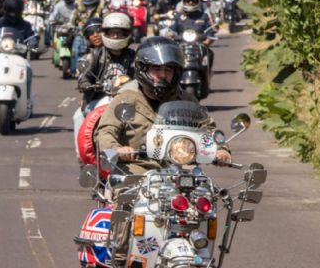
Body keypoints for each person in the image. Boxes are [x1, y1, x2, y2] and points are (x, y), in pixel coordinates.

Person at [95, 36, 231, 176]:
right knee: (125, 194)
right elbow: (105, 132)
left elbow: (206, 129)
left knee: (205, 194)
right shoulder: (125, 99)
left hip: (180, 168)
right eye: (157, 68)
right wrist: (117, 149)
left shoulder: (186, 99)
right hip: (137, 169)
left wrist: (220, 149)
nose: (163, 74)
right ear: (143, 69)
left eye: (168, 69)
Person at [76, 12, 135, 108]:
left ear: (126, 34)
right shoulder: (95, 55)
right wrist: (86, 85)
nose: (115, 36)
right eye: (112, 33)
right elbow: (85, 77)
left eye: (119, 33)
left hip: (128, 100)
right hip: (98, 99)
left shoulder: (133, 56)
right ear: (106, 34)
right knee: (78, 118)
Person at [69, 0, 105, 78]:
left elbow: (107, 17)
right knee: (76, 48)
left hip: (99, 33)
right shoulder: (78, 7)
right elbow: (71, 20)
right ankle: (76, 70)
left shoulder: (101, 6)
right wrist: (69, 27)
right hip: (82, 34)